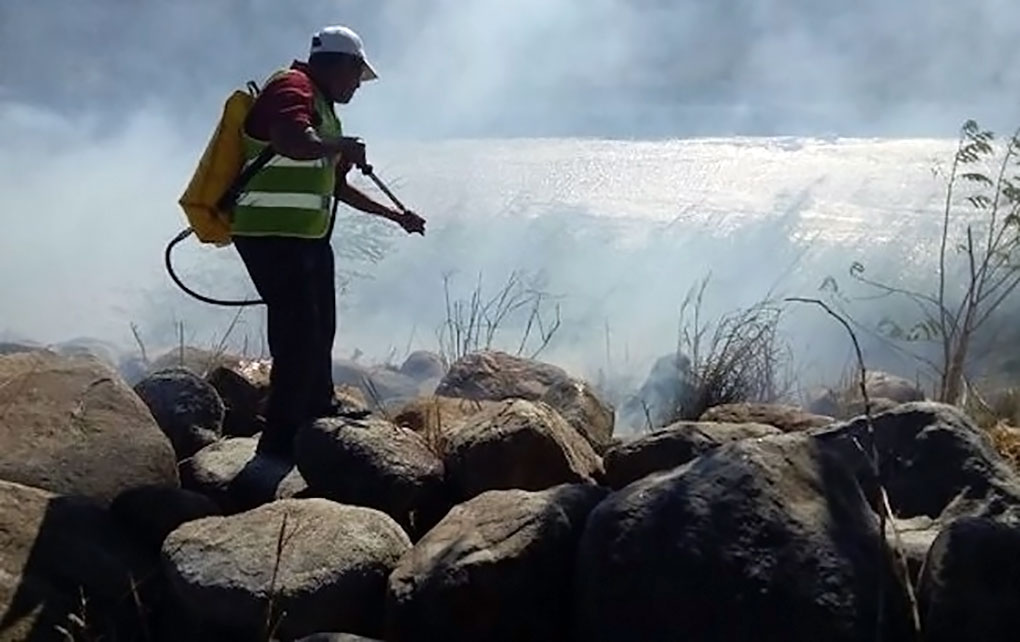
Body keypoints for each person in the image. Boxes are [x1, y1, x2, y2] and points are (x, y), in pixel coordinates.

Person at [230, 25, 425, 460]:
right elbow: (290, 140)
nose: (358, 85)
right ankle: (279, 441)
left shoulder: (322, 107)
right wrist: (338, 145)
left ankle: (320, 406)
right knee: (297, 337)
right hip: (272, 235)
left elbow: (335, 186)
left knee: (320, 328)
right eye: (357, 75)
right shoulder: (292, 87)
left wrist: (395, 216)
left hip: (308, 238)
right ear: (340, 65)